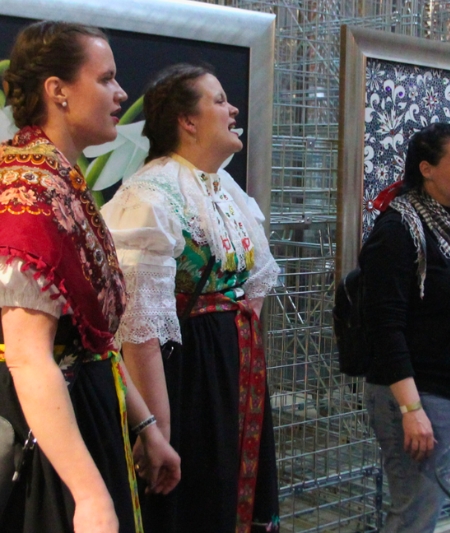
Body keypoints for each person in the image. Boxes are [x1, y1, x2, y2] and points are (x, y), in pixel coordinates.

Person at [0, 21, 180, 533]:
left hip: (88, 411)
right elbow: (29, 356)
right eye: (105, 79)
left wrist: (146, 426)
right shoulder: (28, 192)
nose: (121, 93)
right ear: (57, 90)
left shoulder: (60, 180)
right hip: (49, 434)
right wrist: (89, 494)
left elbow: (92, 340)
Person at [101, 63, 281, 533]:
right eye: (219, 100)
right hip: (187, 374)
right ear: (187, 121)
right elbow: (140, 328)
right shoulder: (151, 196)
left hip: (233, 363)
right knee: (198, 493)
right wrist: (156, 429)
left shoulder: (224, 188)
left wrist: (234, 342)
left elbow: (254, 286)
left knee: (233, 485)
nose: (232, 108)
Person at [361, 123, 450, 533]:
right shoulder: (397, 230)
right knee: (417, 517)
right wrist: (411, 411)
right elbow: (385, 328)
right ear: (426, 169)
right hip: (422, 396)